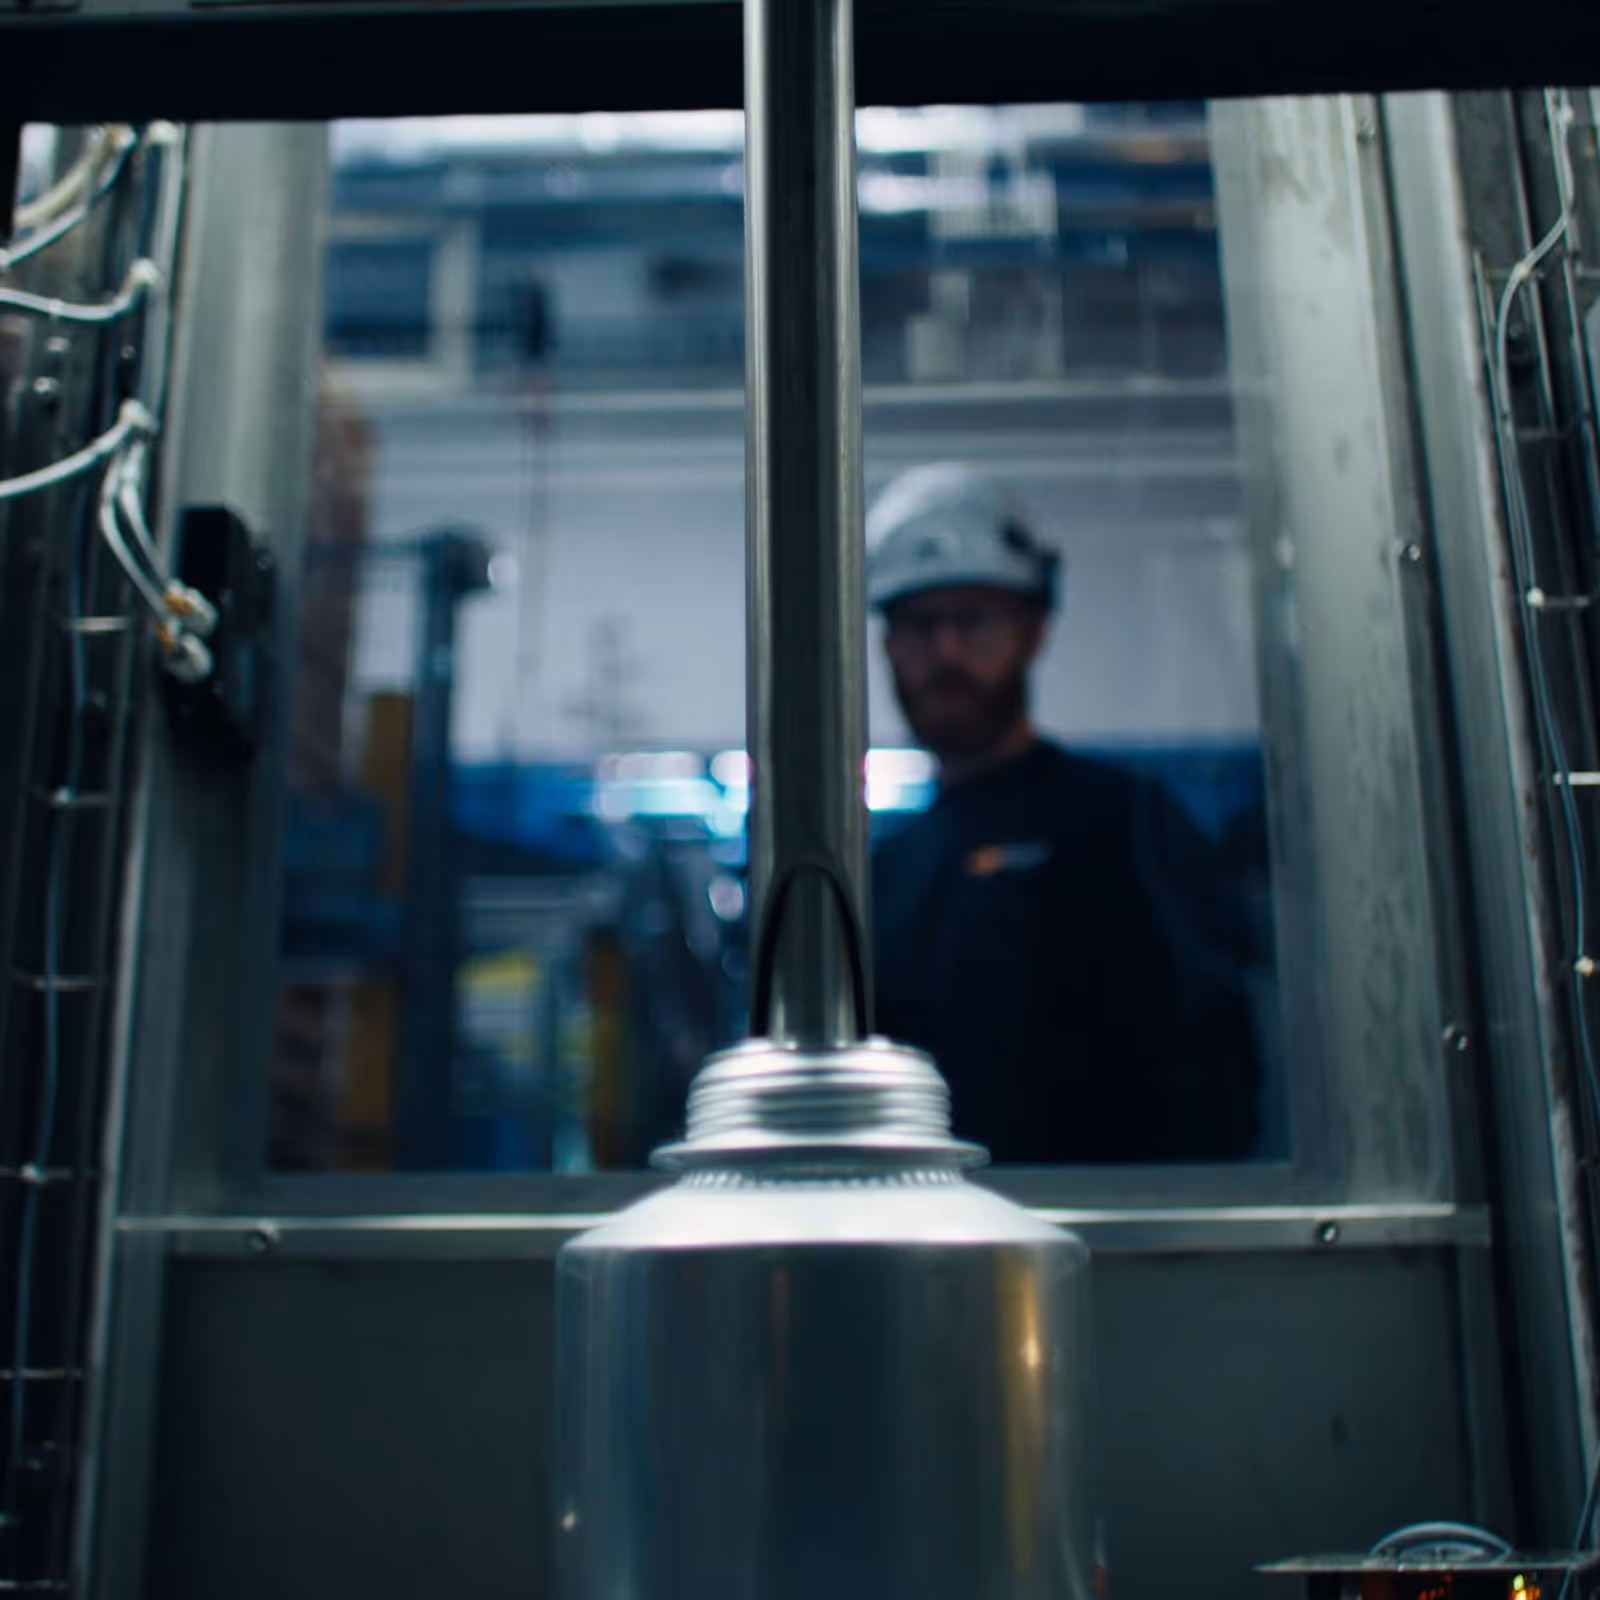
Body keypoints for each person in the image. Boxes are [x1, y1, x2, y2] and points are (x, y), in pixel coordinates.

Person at [867, 465, 1261, 1163]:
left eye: (974, 619)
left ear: (1034, 628)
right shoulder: (884, 873)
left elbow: (1224, 1076)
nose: (946, 651)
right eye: (921, 624)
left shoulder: (1133, 824)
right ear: (887, 645)